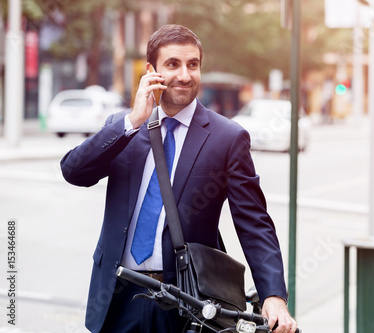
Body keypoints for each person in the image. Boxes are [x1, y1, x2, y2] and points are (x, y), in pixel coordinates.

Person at [61, 24, 297, 333]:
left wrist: (274, 296)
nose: (184, 75)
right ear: (151, 71)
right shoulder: (124, 128)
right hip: (117, 297)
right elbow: (74, 172)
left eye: (193, 65)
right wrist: (132, 122)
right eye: (173, 64)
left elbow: (254, 223)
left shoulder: (227, 138)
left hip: (186, 304)